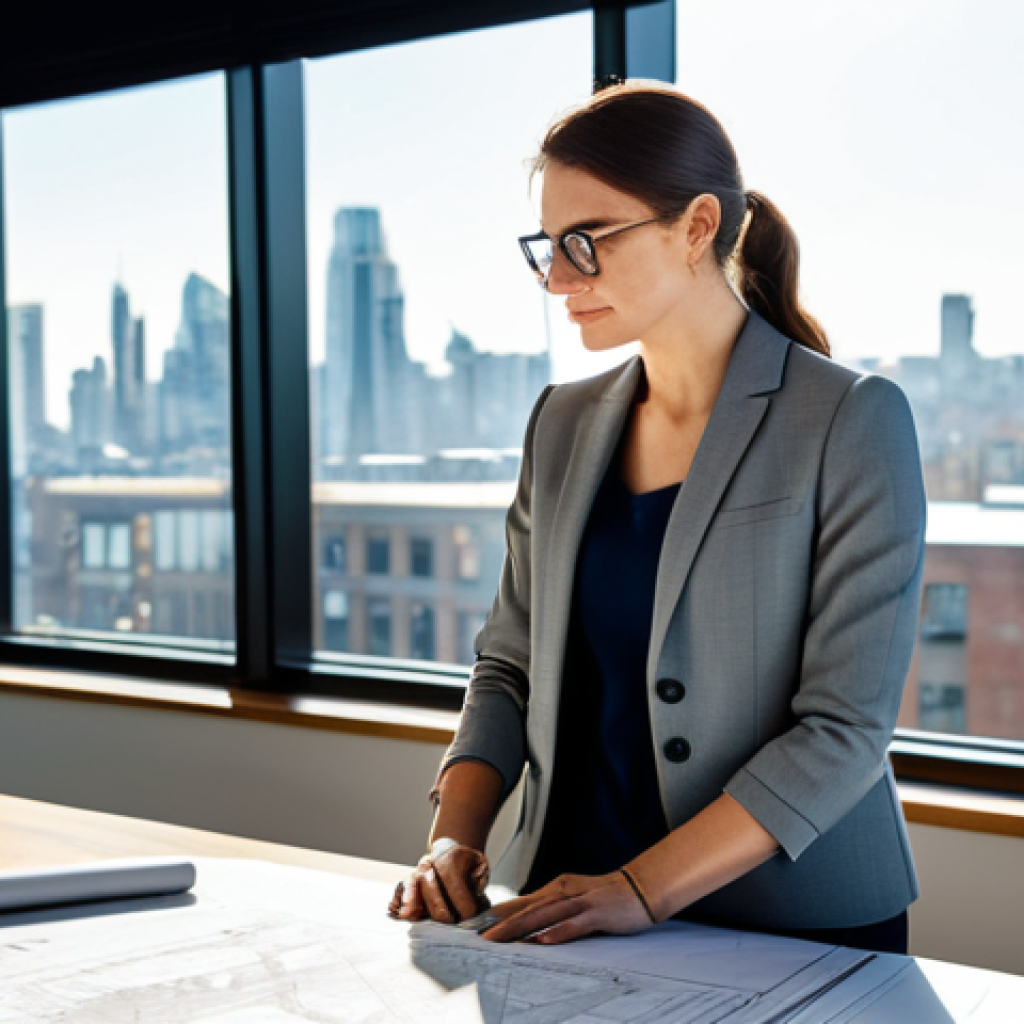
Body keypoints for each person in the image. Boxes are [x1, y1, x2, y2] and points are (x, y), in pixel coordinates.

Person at [388, 81, 926, 956]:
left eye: (587, 241)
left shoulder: (850, 418)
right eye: (547, 247)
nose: (558, 278)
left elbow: (845, 728)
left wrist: (642, 889)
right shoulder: (559, 422)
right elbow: (509, 665)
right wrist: (456, 837)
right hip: (569, 903)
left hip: (791, 922)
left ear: (698, 227)